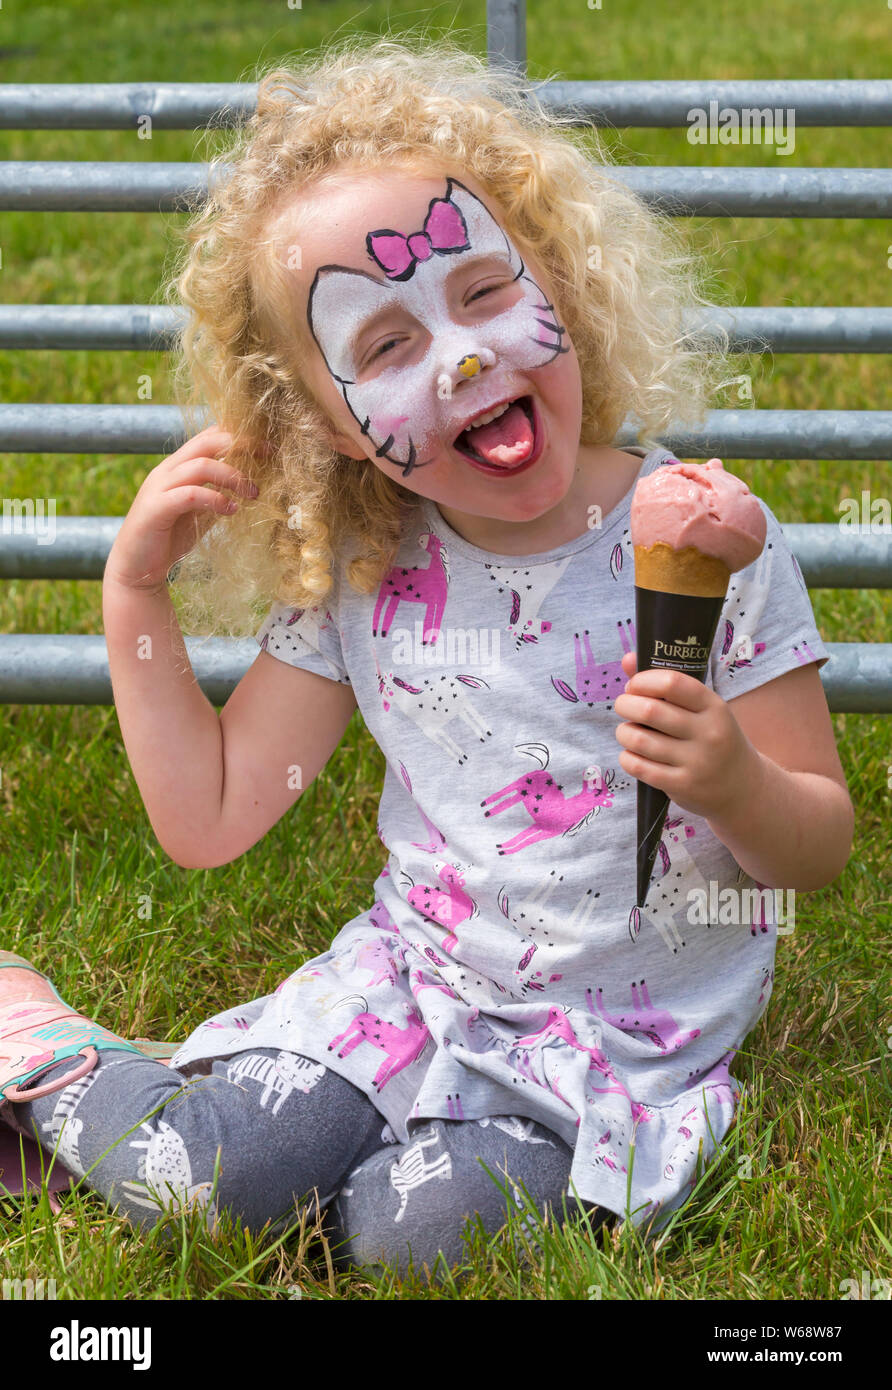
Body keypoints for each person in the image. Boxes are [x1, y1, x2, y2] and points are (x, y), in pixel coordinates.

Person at [0, 34, 854, 1284]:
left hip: (616, 1040)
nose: (458, 356)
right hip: (410, 985)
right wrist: (136, 591)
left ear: (558, 277)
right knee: (208, 1186)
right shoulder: (369, 565)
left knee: (421, 1246)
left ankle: (366, 1182)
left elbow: (814, 847)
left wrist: (731, 779)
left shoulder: (712, 539)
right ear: (328, 425)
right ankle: (42, 1045)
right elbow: (210, 819)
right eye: (385, 346)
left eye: (486, 291)